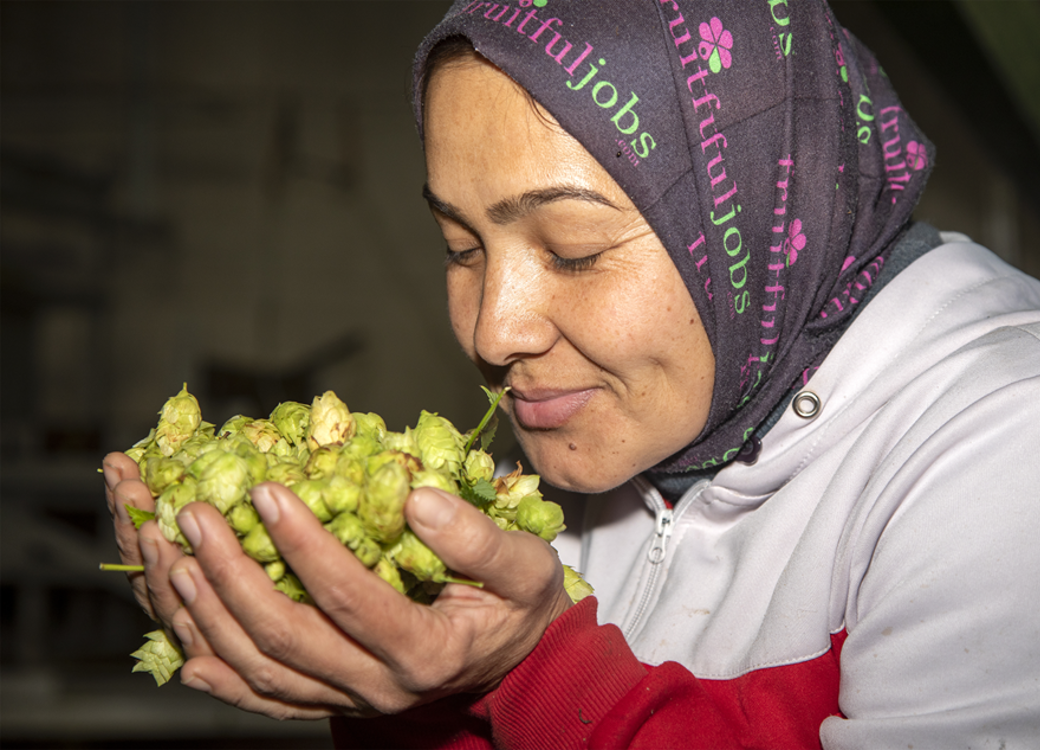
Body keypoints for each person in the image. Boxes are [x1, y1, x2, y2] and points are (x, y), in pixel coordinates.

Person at [103, 0, 1040, 747]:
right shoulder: (598, 438)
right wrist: (408, 683)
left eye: (574, 248)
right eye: (460, 246)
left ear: (759, 209)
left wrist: (530, 669)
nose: (493, 331)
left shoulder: (1005, 441)